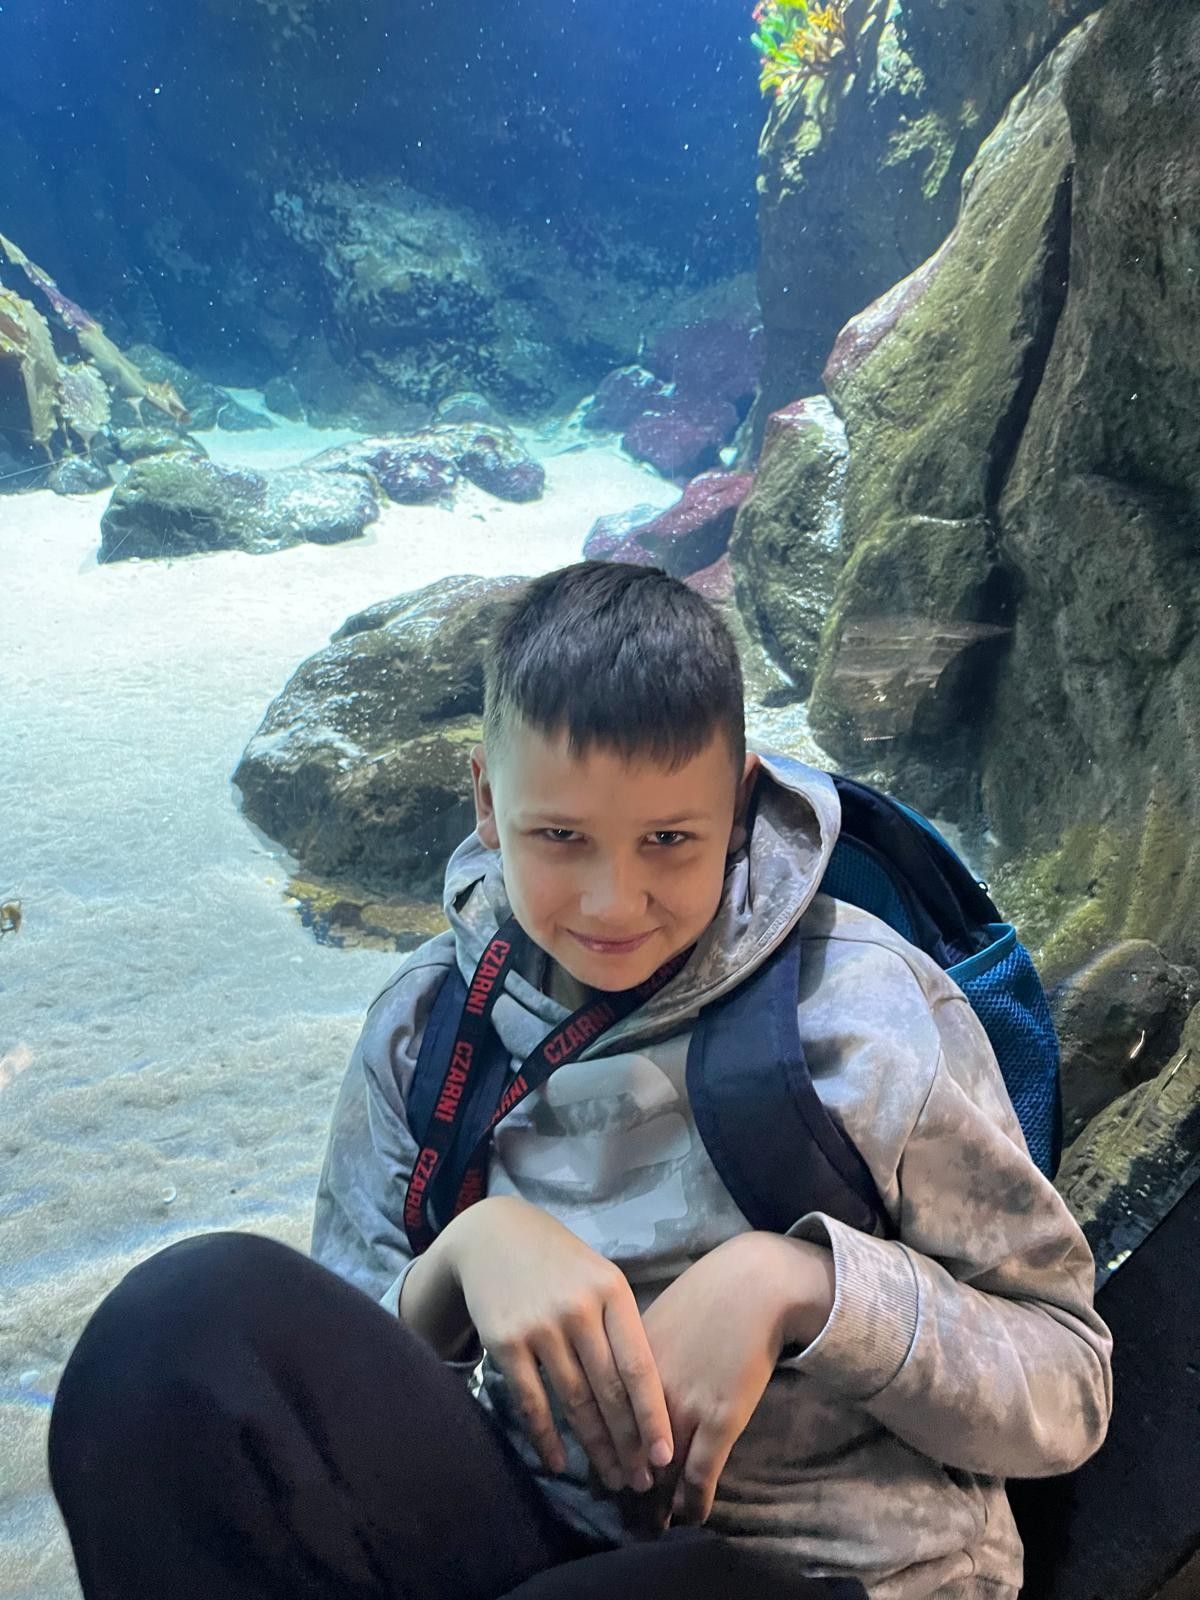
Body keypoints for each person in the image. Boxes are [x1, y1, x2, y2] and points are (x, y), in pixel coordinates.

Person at [48, 561, 1112, 1600]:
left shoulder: (865, 1011)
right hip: (530, 1528)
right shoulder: (425, 1030)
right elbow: (327, 1387)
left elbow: (1069, 1383)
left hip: (834, 1565)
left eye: (669, 839)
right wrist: (459, 1261)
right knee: (174, 1331)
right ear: (486, 799)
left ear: (740, 800)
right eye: (560, 837)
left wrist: (804, 1286)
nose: (613, 901)